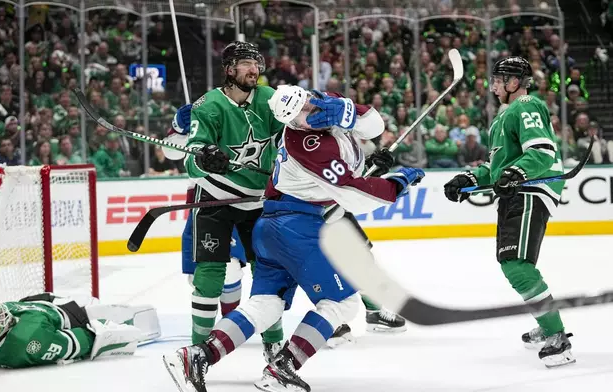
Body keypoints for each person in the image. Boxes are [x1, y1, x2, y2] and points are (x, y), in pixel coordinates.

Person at [163, 85, 424, 392]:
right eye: (302, 117)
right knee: (342, 302)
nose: (310, 116)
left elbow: (372, 126)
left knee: (266, 305)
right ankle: (283, 368)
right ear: (292, 123)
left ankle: (196, 356)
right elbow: (353, 196)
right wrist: (395, 183)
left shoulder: (325, 106)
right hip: (297, 227)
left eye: (310, 106)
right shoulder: (311, 145)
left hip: (272, 226)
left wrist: (346, 112)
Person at [443, 56, 575, 368]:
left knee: (516, 264)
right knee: (513, 262)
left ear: (515, 82)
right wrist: (470, 179)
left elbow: (541, 151)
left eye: (500, 79)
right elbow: (496, 168)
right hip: (516, 193)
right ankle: (547, 324)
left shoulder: (526, 104)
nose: (494, 85)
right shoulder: (500, 120)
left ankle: (557, 337)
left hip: (530, 191)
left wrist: (517, 172)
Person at [161, 41, 285, 354]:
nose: (254, 69)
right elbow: (190, 161)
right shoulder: (209, 106)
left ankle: (273, 343)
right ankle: (197, 350)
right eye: (245, 63)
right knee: (210, 276)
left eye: (256, 63)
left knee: (268, 272)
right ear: (229, 70)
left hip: (258, 201)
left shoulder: (270, 100)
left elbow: (293, 135)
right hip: (216, 200)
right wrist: (204, 158)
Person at [0, 293, 160, 369]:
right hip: (65, 318)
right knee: (94, 328)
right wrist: (99, 333)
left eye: (3, 314)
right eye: (2, 320)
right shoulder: (27, 342)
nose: (7, 317)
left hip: (41, 306)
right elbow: (76, 344)